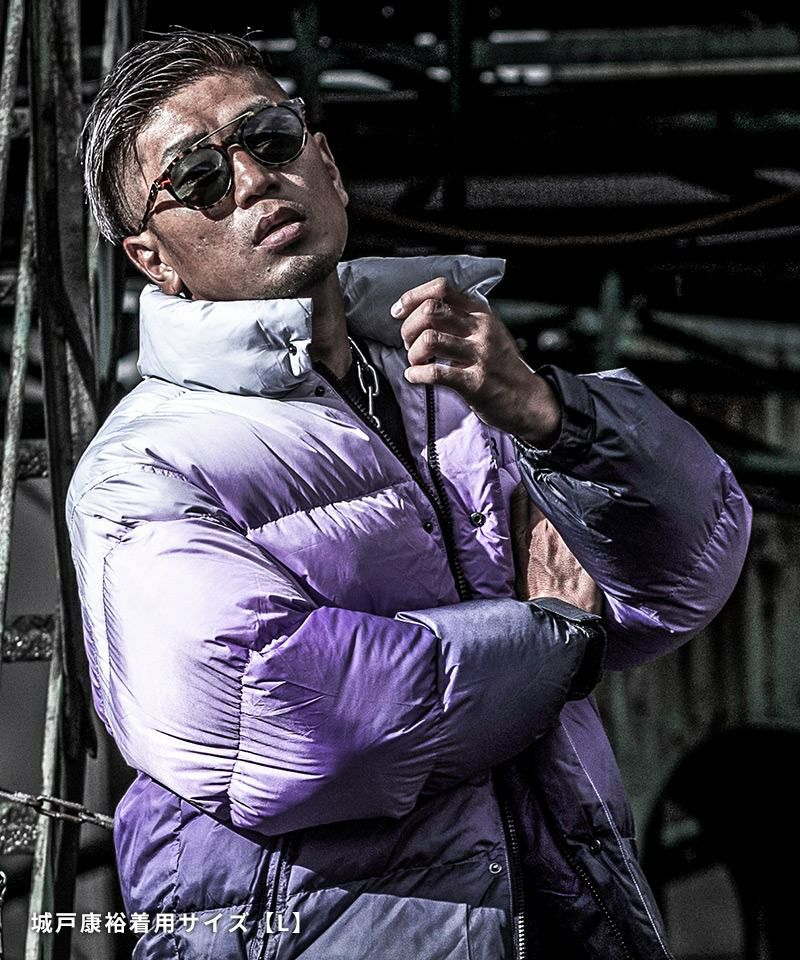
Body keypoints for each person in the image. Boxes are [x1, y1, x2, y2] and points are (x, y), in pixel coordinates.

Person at [68, 28, 751, 960]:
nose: (254, 180)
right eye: (198, 176)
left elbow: (687, 570)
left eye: (269, 138)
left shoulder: (455, 383)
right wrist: (553, 639)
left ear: (328, 167)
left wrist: (551, 415)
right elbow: (294, 720)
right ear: (154, 260)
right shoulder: (141, 472)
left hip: (564, 915)